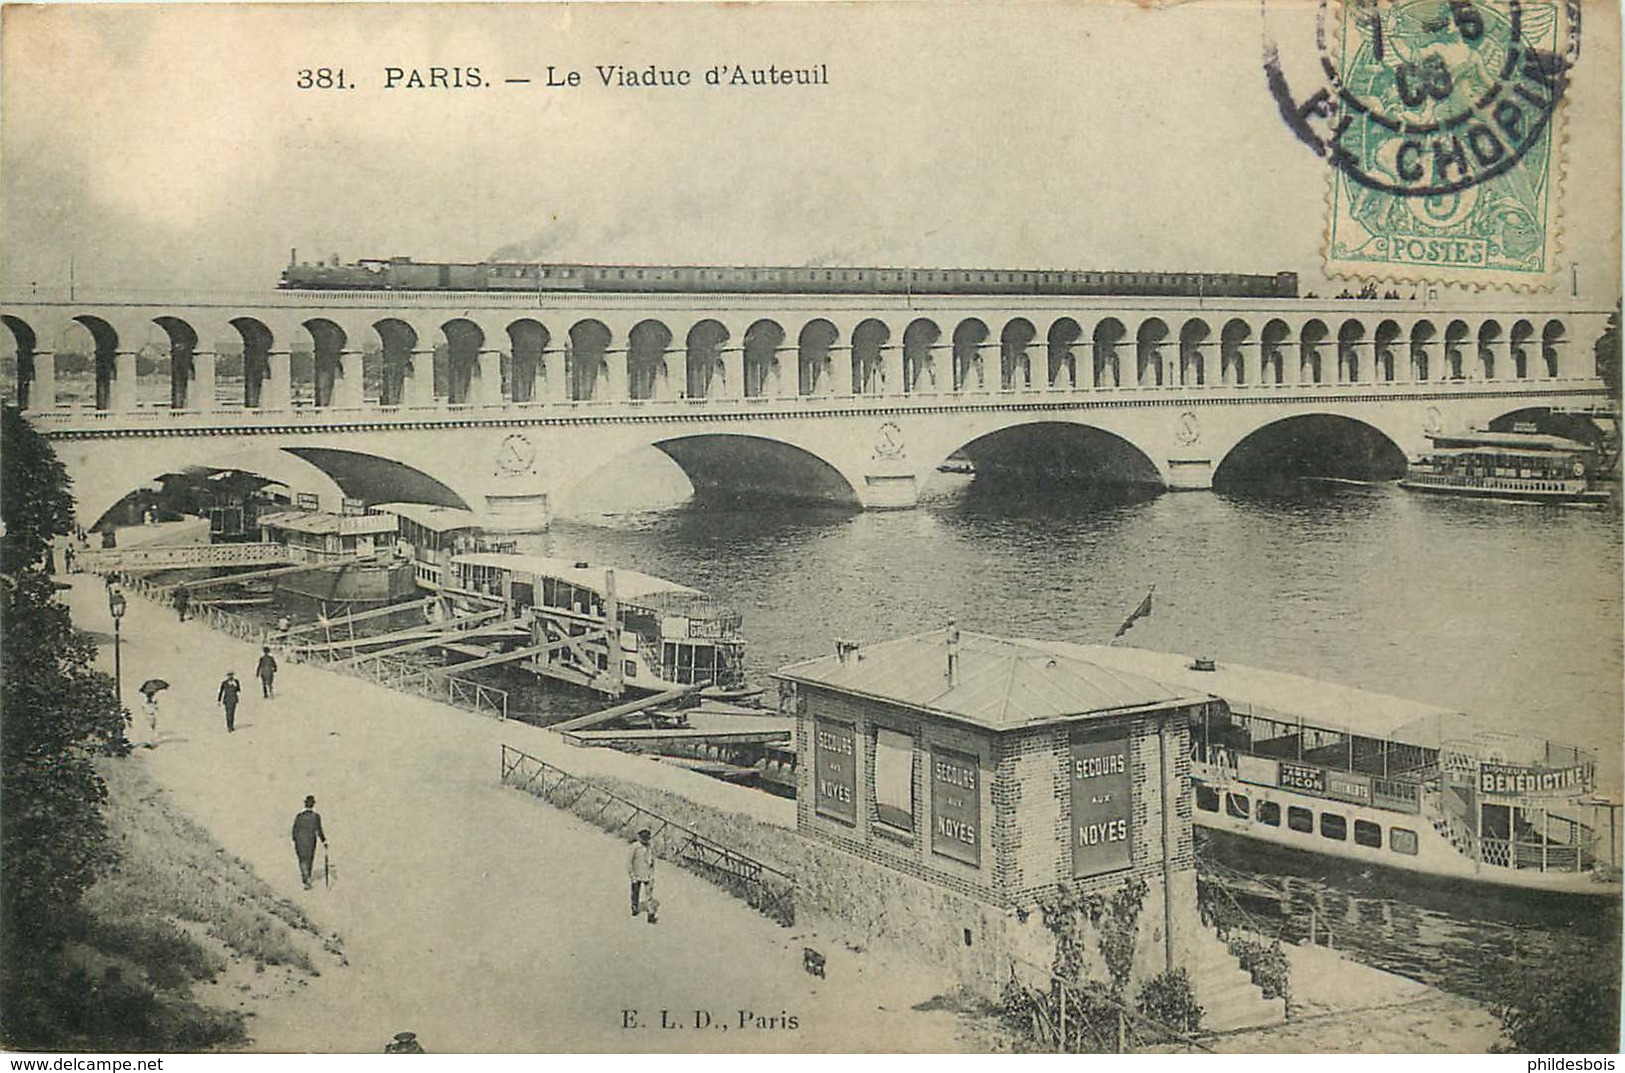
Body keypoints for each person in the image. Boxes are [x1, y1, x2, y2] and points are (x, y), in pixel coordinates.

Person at [291, 795, 327, 890]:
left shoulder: (299, 816)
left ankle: (305, 878)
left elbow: (294, 830)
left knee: (302, 859)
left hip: (300, 841)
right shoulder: (316, 817)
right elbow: (319, 830)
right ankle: (307, 878)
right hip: (310, 841)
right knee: (309, 859)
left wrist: (295, 839)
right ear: (313, 805)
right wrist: (324, 841)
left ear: (305, 804)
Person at [628, 828, 656, 923]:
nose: (645, 841)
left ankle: (650, 914)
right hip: (636, 873)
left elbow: (652, 861)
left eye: (647, 839)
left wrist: (652, 874)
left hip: (647, 874)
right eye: (643, 839)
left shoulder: (650, 847)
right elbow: (629, 862)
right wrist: (632, 875)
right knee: (635, 892)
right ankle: (634, 907)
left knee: (649, 895)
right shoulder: (635, 847)